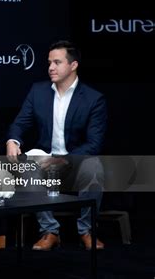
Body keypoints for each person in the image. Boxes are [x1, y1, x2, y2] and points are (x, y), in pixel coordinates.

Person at [6, 40, 107, 251]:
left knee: (94, 166)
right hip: (45, 162)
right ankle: (50, 231)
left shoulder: (93, 99)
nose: (51, 67)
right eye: (49, 62)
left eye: (57, 62)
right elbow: (20, 123)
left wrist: (65, 160)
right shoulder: (38, 91)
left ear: (73, 65)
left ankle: (87, 231)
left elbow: (94, 143)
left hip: (76, 162)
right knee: (26, 168)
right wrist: (12, 141)